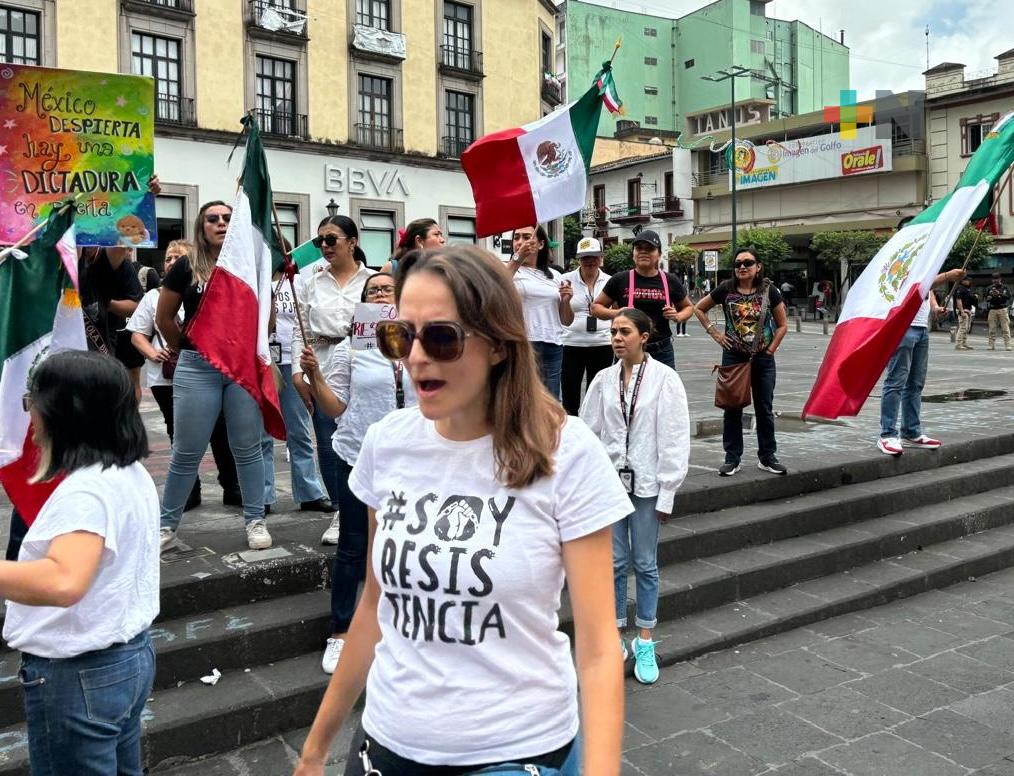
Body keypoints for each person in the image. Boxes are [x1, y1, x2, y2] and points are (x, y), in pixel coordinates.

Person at [293, 246, 631, 776]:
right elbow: (376, 605)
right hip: (385, 743)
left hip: (514, 751)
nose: (415, 357)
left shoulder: (566, 451)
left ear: (497, 344)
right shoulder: (387, 443)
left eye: (442, 338)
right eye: (399, 335)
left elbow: (598, 647)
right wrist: (315, 750)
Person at [1, 350, 158, 775]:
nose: (30, 417)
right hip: (124, 657)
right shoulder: (127, 472)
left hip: (80, 672)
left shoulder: (88, 491)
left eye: (32, 403)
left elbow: (63, 581)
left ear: (63, 412)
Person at [298, 273, 418, 675]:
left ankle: (401, 624)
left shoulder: (419, 342)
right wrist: (315, 375)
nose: (380, 294)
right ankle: (341, 631)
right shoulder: (349, 349)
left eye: (387, 289)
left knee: (406, 544)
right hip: (359, 454)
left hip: (412, 458)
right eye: (373, 291)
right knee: (353, 544)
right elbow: (335, 407)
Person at [580, 307, 689, 685]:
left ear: (644, 336)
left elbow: (674, 437)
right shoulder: (603, 380)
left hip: (647, 485)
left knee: (644, 562)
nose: (616, 338)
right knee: (613, 563)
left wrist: (668, 491)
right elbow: (588, 433)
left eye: (625, 331)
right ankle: (615, 639)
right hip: (611, 486)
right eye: (613, 331)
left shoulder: (665, 380)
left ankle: (644, 639)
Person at [156, 201, 271, 551]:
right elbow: (164, 319)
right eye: (213, 219)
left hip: (240, 367)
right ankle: (166, 527)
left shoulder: (250, 266)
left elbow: (266, 321)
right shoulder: (186, 266)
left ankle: (255, 520)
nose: (221, 223)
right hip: (197, 367)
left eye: (227, 218)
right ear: (201, 226)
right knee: (187, 451)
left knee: (247, 448)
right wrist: (189, 348)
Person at [128, 239, 239, 513]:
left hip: (206, 370)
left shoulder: (208, 290)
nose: (171, 262)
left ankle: (232, 485)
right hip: (165, 377)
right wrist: (153, 353)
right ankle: (190, 490)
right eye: (168, 258)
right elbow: (138, 334)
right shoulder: (153, 297)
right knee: (178, 432)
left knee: (219, 430)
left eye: (178, 258)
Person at [291, 216, 376, 504]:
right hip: (323, 366)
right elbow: (300, 329)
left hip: (363, 363)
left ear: (352, 243)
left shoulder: (372, 281)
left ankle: (366, 505)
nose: (325, 246)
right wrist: (297, 373)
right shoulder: (311, 283)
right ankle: (340, 508)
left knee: (363, 438)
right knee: (328, 443)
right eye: (320, 241)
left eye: (331, 239)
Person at [694, 248, 789, 476]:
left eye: (748, 263)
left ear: (758, 266)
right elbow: (699, 308)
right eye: (738, 264)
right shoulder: (726, 289)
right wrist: (716, 334)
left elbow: (782, 324)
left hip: (763, 357)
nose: (742, 267)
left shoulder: (769, 290)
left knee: (764, 408)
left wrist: (771, 349)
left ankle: (767, 457)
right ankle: (732, 458)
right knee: (732, 407)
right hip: (734, 356)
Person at [261, 257, 337, 532]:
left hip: (290, 361)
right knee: (261, 433)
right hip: (262, 361)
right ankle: (262, 495)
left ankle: (309, 492)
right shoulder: (256, 281)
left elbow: (303, 323)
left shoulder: (299, 282)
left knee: (300, 430)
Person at [876, 267, 966, 456]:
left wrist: (934, 307)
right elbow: (914, 285)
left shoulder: (925, 262)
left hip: (921, 328)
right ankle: (887, 434)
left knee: (915, 383)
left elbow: (927, 289)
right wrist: (947, 276)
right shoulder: (905, 260)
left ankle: (911, 432)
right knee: (895, 382)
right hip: (903, 326)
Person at [591, 229, 692, 370]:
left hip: (661, 350)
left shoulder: (670, 280)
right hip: (628, 348)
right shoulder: (620, 279)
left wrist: (677, 316)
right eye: (639, 248)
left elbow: (688, 307)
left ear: (659, 254)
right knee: (625, 384)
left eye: (650, 248)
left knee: (665, 384)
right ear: (633, 254)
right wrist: (617, 313)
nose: (643, 252)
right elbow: (595, 307)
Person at [505, 224, 573, 397]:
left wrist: (566, 301)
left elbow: (566, 321)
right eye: (516, 237)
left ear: (541, 244)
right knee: (522, 396)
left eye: (527, 237)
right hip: (522, 343)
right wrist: (518, 258)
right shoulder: (508, 269)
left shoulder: (555, 275)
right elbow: (497, 284)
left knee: (551, 398)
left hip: (552, 343)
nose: (520, 242)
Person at [560, 237, 612, 415]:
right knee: (570, 395)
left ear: (601, 258)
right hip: (571, 343)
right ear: (578, 259)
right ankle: (571, 427)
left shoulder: (610, 281)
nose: (590, 261)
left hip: (603, 343)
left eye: (594, 257)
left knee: (597, 394)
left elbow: (617, 312)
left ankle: (593, 428)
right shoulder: (565, 280)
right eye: (585, 258)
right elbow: (563, 318)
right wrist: (565, 300)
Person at [379, 218, 445, 275]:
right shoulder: (392, 268)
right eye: (436, 234)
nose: (442, 240)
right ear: (419, 240)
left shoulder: (443, 269)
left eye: (441, 235)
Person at [985, 273, 1012, 351]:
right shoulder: (989, 288)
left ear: (1000, 279)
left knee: (1005, 328)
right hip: (992, 309)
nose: (995, 280)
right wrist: (989, 297)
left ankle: (1008, 345)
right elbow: (985, 297)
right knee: (992, 328)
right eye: (994, 279)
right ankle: (991, 345)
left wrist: (999, 293)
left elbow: (1009, 297)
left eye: (997, 279)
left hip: (1002, 309)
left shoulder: (1005, 287)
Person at [955, 277, 975, 351]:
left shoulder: (967, 289)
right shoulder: (960, 288)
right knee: (963, 328)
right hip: (963, 310)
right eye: (967, 280)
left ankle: (963, 343)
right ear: (962, 281)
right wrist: (962, 311)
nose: (968, 281)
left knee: (966, 328)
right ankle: (958, 344)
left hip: (968, 310)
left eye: (969, 280)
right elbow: (958, 300)